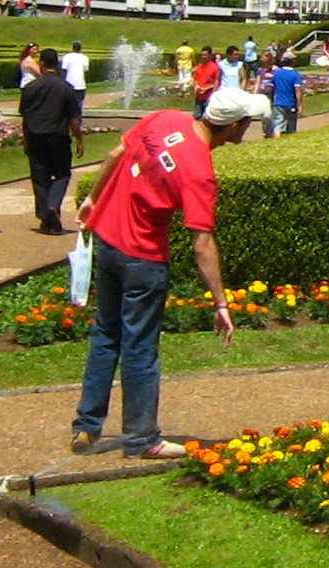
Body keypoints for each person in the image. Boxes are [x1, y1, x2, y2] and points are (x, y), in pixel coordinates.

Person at [68, 86, 266, 459]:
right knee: (140, 347)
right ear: (234, 126)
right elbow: (202, 244)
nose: (249, 128)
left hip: (109, 240)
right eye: (248, 122)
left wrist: (93, 198)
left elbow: (116, 153)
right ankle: (142, 439)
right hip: (143, 256)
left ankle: (86, 425)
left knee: (106, 335)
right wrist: (221, 302)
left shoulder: (165, 118)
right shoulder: (200, 171)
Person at [18, 48, 79, 235]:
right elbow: (74, 118)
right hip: (58, 137)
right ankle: (53, 206)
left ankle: (45, 216)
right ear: (57, 65)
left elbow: (24, 114)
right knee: (62, 175)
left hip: (35, 136)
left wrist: (25, 137)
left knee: (40, 178)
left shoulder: (31, 88)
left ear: (42, 64)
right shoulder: (66, 88)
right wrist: (80, 138)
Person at [60, 40, 91, 157]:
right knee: (78, 109)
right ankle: (77, 129)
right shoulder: (85, 57)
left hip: (69, 85)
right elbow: (85, 70)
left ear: (72, 47)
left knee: (65, 107)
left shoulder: (67, 57)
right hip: (80, 85)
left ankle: (68, 126)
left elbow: (63, 70)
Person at [270, 49, 304, 135]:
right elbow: (298, 90)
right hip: (290, 103)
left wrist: (272, 99)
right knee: (291, 127)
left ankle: (276, 142)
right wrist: (299, 105)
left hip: (278, 103)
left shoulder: (277, 73)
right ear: (292, 61)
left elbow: (271, 88)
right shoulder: (295, 74)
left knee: (278, 126)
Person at [192, 46, 221, 115]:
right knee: (197, 116)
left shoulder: (215, 68)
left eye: (205, 55)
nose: (203, 57)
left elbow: (217, 83)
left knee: (207, 118)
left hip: (209, 97)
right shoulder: (199, 67)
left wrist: (207, 89)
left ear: (210, 55)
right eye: (202, 55)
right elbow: (195, 79)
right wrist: (196, 86)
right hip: (199, 96)